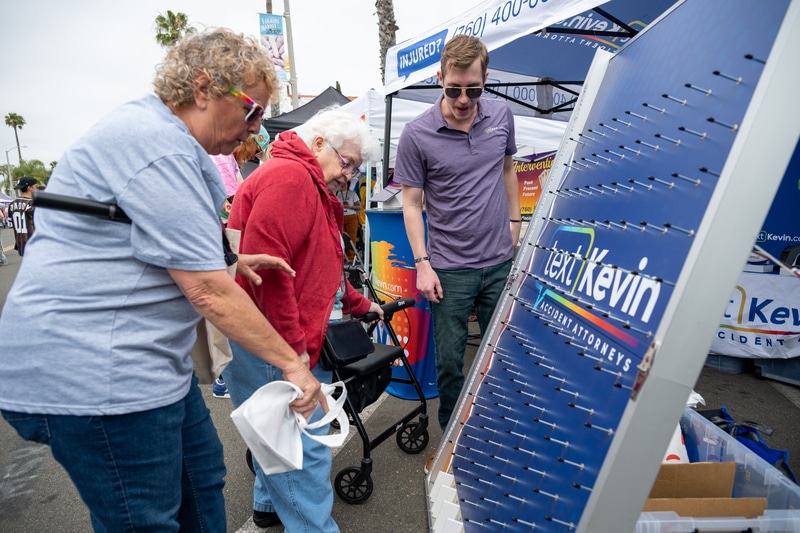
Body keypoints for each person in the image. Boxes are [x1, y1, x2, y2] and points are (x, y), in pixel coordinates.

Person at [0, 28, 324, 532]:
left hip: (146, 369)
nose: (255, 129)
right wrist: (292, 364)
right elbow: (206, 290)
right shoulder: (159, 146)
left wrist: (232, 259)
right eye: (251, 110)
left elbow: (149, 233)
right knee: (143, 519)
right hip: (98, 375)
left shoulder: (164, 141)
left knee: (201, 478)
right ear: (202, 88)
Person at [224, 107, 383, 531]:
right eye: (346, 162)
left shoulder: (302, 180)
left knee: (276, 435)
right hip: (270, 338)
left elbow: (317, 264)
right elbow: (269, 280)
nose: (349, 175)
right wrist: (294, 355)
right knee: (302, 445)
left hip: (267, 336)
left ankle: (267, 506)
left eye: (354, 166)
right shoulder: (292, 179)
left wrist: (356, 302)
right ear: (317, 145)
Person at [394, 34, 521, 437]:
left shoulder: (501, 115)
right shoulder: (417, 134)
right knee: (450, 364)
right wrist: (422, 264)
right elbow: (411, 204)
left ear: (486, 79)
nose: (463, 99)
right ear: (439, 79)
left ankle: (501, 435)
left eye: (473, 89)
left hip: (500, 262)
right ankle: (452, 443)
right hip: (449, 271)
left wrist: (516, 223)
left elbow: (506, 169)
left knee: (504, 356)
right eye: (453, 89)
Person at [8, 176, 38, 256]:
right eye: (36, 187)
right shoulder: (33, 204)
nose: (37, 189)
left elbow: (11, 224)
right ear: (29, 188)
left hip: (21, 243)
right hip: (34, 243)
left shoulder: (12, 204)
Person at [336, 180, 362, 262]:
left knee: (351, 238)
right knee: (341, 238)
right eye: (342, 183)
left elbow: (359, 206)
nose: (343, 184)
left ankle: (351, 258)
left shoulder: (352, 194)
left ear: (348, 184)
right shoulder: (336, 194)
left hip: (351, 217)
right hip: (340, 217)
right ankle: (342, 258)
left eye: (345, 183)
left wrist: (350, 207)